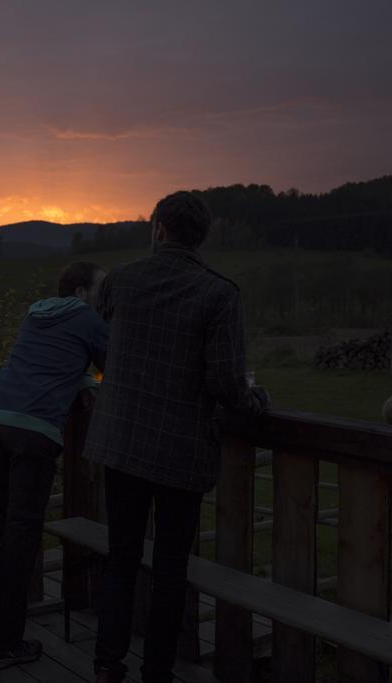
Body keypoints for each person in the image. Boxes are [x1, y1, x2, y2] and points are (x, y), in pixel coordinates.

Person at [85, 192, 270, 683]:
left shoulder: (123, 280)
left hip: (121, 442)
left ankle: (107, 662)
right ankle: (157, 671)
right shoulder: (218, 294)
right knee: (170, 567)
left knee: (121, 556)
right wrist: (257, 402)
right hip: (180, 451)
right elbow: (227, 384)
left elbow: (106, 339)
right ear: (200, 236)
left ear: (159, 229)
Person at [0, 262, 109, 670]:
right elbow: (113, 364)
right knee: (21, 537)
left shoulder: (36, 312)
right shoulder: (87, 317)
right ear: (81, 292)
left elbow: (54, 361)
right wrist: (91, 382)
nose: (104, 296)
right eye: (101, 288)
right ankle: (2, 645)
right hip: (34, 430)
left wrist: (80, 380)